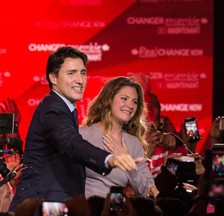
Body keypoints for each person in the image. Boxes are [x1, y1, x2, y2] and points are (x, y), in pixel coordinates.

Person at [8, 46, 141, 212]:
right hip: (43, 205)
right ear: (53, 78)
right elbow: (70, 141)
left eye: (83, 73)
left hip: (52, 203)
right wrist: (109, 159)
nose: (80, 80)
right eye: (71, 73)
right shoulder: (53, 109)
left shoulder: (64, 108)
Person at [79, 76, 155, 199]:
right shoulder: (83, 134)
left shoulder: (133, 143)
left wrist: (129, 164)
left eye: (134, 101)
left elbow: (147, 190)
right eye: (124, 98)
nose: (130, 106)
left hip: (116, 209)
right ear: (108, 99)